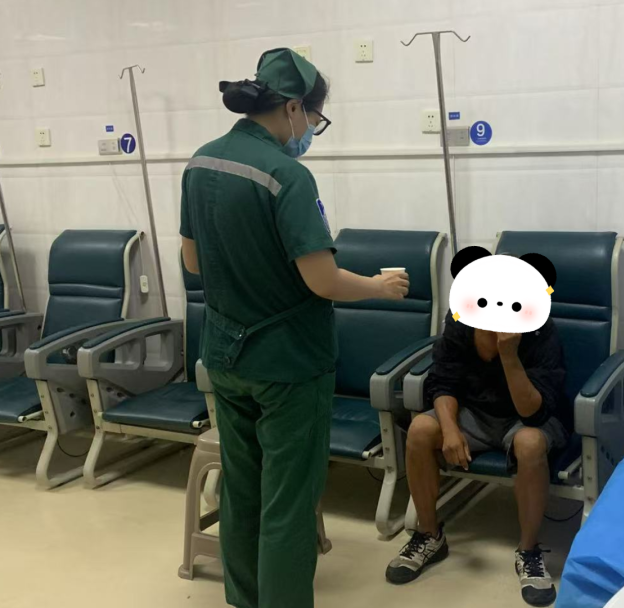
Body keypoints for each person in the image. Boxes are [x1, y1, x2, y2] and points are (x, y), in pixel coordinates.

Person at [180, 48, 409, 608]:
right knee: (288, 500)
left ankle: (245, 599)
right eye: (314, 118)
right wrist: (378, 287)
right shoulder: (287, 176)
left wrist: (247, 270)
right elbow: (322, 280)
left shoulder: (201, 163)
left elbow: (192, 262)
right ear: (292, 108)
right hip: (287, 365)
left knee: (242, 488)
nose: (310, 131)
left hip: (225, 357)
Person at [386, 310, 570, 607]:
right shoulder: (460, 317)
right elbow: (442, 381)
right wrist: (449, 429)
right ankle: (429, 535)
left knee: (530, 444)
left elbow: (532, 412)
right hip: (474, 413)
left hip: (528, 417)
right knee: (420, 430)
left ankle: (528, 550)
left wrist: (508, 355)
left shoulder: (538, 325)